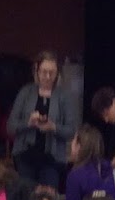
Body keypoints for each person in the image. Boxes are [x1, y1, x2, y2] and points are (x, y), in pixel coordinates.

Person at [8, 52, 77, 188]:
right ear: (37, 71)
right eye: (44, 72)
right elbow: (10, 127)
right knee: (27, 194)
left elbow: (71, 131)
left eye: (52, 72)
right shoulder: (26, 92)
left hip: (53, 159)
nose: (48, 76)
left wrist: (53, 127)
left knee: (48, 195)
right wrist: (28, 123)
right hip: (25, 155)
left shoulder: (64, 96)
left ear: (57, 73)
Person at [64, 125, 115, 200]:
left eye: (74, 140)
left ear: (79, 146)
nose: (71, 143)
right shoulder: (106, 168)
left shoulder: (76, 175)